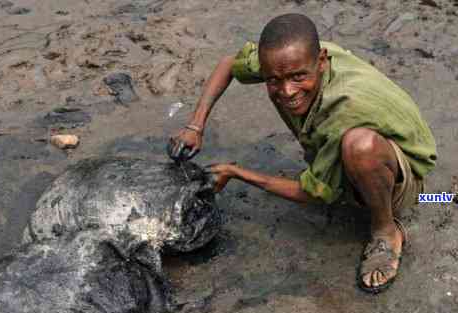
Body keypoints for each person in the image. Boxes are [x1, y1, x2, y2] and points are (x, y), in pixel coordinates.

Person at [169, 13, 437, 294]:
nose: (286, 91)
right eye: (273, 79)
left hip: (404, 180)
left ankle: (386, 231)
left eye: (298, 77)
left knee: (360, 147)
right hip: (348, 147)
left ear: (321, 61)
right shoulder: (290, 59)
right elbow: (228, 65)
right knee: (343, 143)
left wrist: (237, 173)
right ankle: (343, 173)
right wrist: (195, 125)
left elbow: (312, 194)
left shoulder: (345, 108)